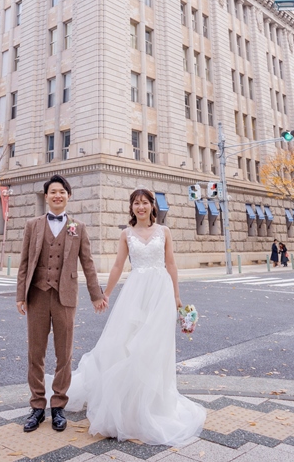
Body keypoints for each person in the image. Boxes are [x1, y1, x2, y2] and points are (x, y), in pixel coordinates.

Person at [63, 188, 206, 446]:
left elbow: (171, 264)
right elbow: (118, 265)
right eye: (136, 203)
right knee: (128, 345)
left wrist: (176, 296)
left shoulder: (164, 232)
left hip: (160, 293)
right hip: (135, 292)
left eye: (145, 203)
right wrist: (105, 293)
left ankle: (155, 404)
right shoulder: (126, 234)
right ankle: (129, 406)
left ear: (152, 206)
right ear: (131, 208)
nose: (141, 207)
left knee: (156, 347)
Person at [16, 175, 106, 433]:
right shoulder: (32, 225)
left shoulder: (78, 227)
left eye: (62, 192)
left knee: (64, 353)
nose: (57, 195)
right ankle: (37, 406)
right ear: (46, 197)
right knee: (36, 353)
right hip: (37, 295)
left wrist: (96, 295)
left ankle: (58, 406)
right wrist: (20, 295)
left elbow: (88, 263)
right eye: (53, 192)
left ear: (68, 196)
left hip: (65, 296)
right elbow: (24, 262)